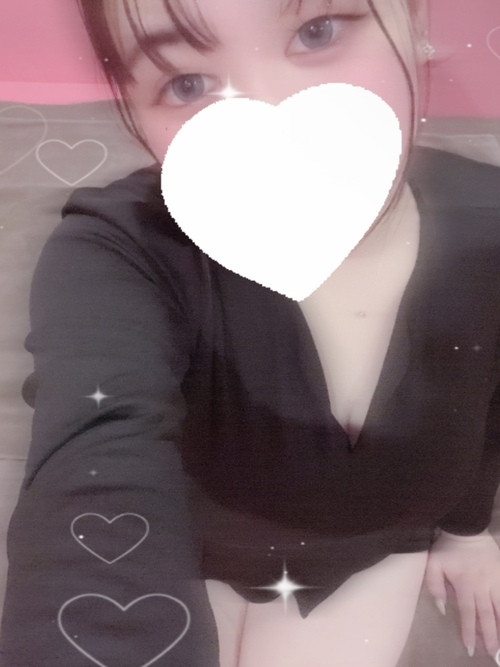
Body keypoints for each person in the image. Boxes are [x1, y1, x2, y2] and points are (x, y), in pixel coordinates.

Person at [1, 0, 500, 665]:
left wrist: (467, 533)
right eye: (187, 83)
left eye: (318, 33)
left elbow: (491, 403)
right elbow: (93, 441)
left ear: (413, 23)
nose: (271, 119)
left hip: (374, 551)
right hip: (197, 543)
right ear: (135, 112)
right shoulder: (119, 249)